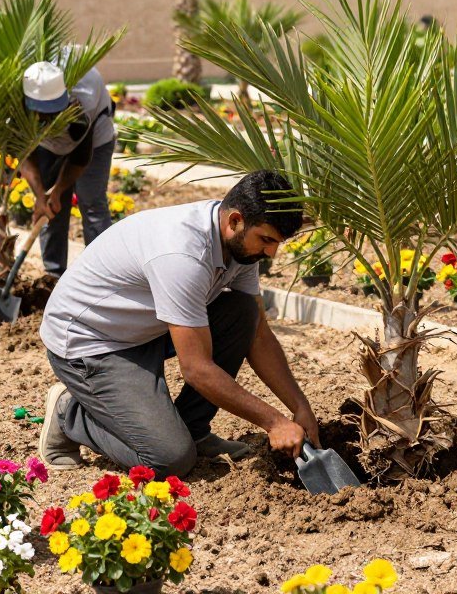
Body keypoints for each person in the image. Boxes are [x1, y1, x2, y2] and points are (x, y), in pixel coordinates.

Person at [37, 170, 319, 478]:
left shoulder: (239, 246)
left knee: (242, 313)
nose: (271, 252)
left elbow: (258, 335)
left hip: (142, 328)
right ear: (235, 220)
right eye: (266, 240)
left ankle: (192, 430)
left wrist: (299, 406)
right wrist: (275, 422)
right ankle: (70, 414)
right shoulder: (183, 253)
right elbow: (196, 368)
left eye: (277, 242)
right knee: (169, 459)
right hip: (91, 343)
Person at [19, 59, 116, 276]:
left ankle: (103, 275)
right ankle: (54, 275)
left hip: (96, 136)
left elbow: (80, 160)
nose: (48, 117)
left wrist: (58, 190)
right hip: (46, 144)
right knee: (50, 208)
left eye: (52, 111)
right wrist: (42, 196)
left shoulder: (83, 107)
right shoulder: (17, 102)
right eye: (42, 113)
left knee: (91, 201)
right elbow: (25, 155)